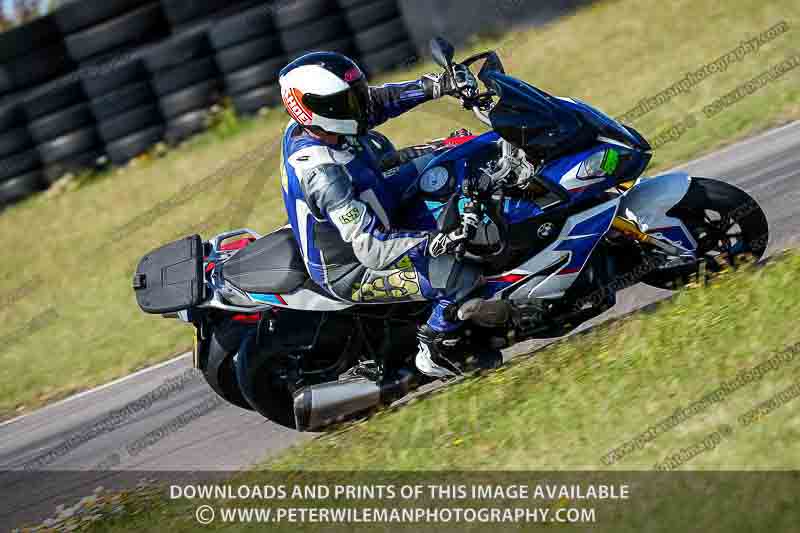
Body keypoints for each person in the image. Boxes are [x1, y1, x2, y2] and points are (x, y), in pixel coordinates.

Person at [278, 51, 487, 379]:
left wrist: (438, 85)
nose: (361, 106)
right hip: (352, 267)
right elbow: (372, 249)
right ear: (312, 107)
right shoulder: (322, 174)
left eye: (357, 94)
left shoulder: (322, 121)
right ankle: (437, 347)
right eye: (349, 101)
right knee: (461, 274)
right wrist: (439, 241)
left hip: (376, 194)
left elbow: (380, 100)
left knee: (461, 154)